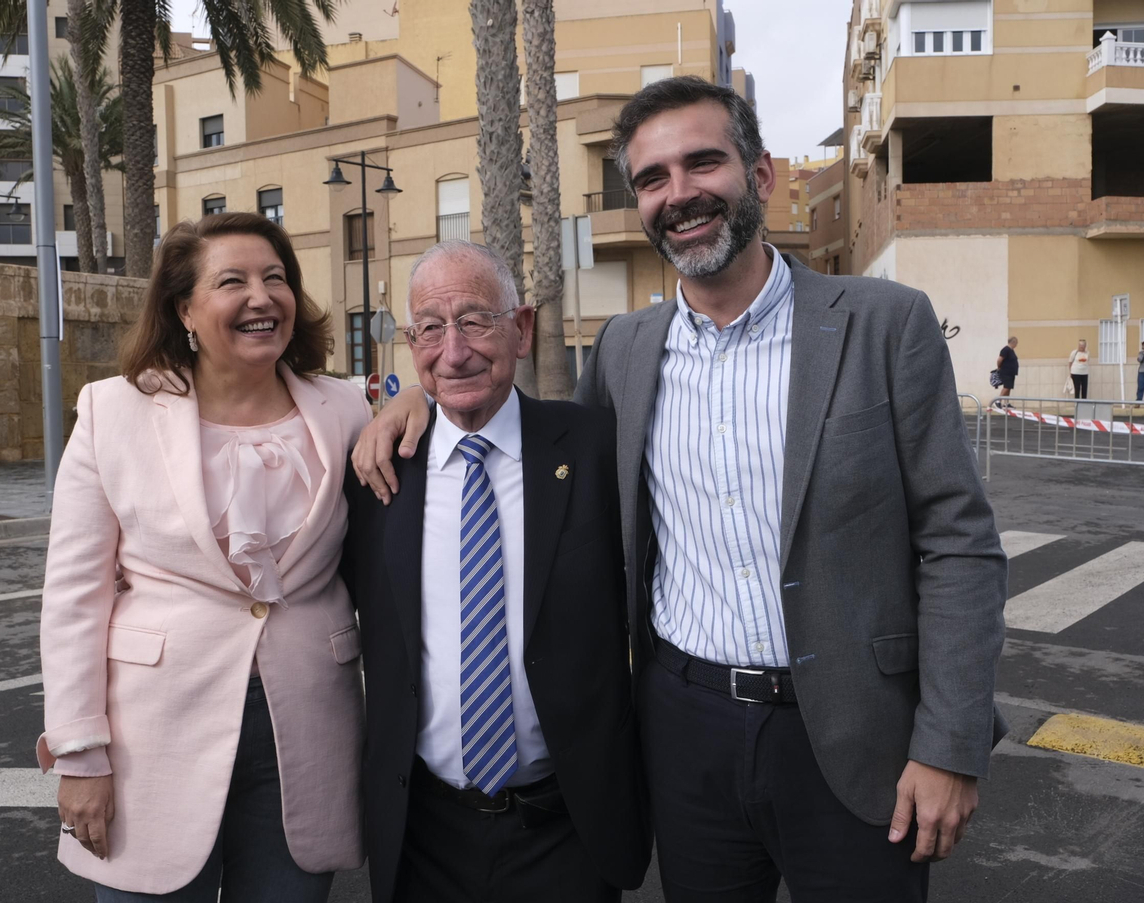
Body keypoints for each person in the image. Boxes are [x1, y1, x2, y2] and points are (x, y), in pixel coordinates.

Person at [354, 77, 1007, 902]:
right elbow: (518, 424)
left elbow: (959, 542)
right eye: (654, 178)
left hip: (852, 732)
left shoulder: (884, 323)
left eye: (704, 163)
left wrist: (949, 741)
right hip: (684, 734)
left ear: (761, 174)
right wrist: (417, 396)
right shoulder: (627, 352)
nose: (681, 195)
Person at [38, 213, 369, 901]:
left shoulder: (345, 409)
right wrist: (79, 755)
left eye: (275, 278)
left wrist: (416, 401)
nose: (261, 296)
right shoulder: (112, 411)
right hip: (150, 739)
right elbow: (74, 595)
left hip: (306, 728)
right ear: (184, 308)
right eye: (233, 281)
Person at [340, 241, 649, 903]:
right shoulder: (378, 472)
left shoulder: (596, 449)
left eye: (476, 321)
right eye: (430, 328)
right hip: (424, 833)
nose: (454, 351)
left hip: (566, 830)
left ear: (524, 327)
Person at [995, 336, 1019, 406]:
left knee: (1009, 387)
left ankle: (1006, 403)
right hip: (1006, 372)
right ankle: (998, 401)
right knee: (1006, 387)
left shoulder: (1011, 350)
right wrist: (999, 367)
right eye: (1016, 343)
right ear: (1013, 342)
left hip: (1011, 373)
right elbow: (999, 360)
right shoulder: (1005, 350)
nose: (1016, 345)